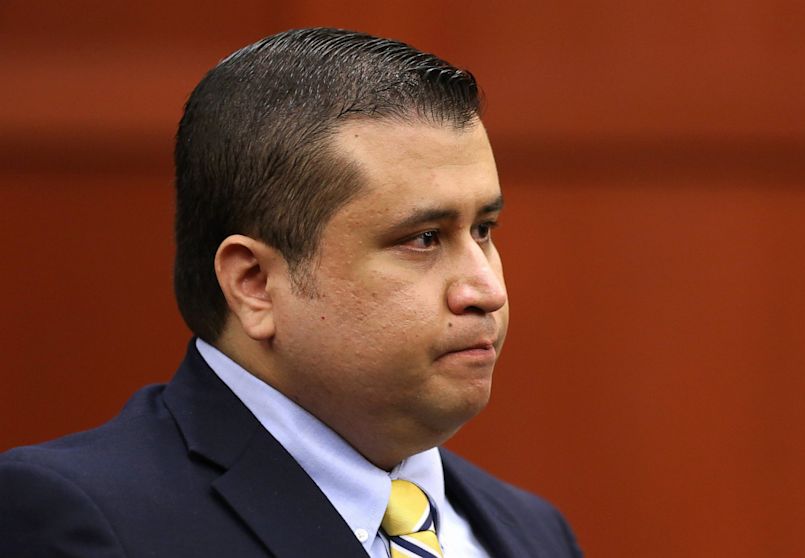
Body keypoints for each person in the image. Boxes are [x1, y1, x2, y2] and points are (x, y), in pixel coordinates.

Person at [0, 28, 582, 557]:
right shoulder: (83, 519)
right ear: (254, 284)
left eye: (483, 229)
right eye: (423, 239)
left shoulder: (533, 532)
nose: (486, 289)